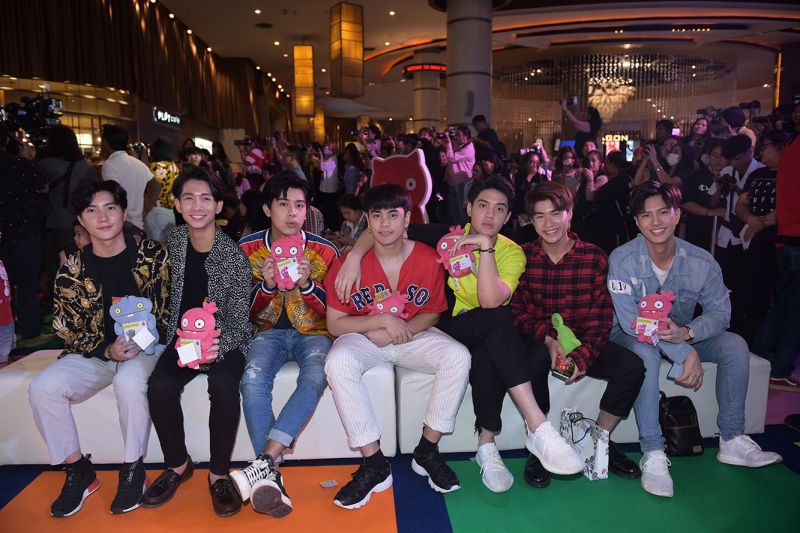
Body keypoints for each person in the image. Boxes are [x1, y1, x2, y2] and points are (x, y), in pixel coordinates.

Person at [336, 177, 585, 493]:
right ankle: (538, 426)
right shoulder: (445, 236)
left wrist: (486, 248)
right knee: (496, 323)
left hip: (489, 330)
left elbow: (490, 300)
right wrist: (354, 258)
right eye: (482, 205)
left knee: (487, 348)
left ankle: (487, 447)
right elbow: (384, 228)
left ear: (508, 217)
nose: (489, 215)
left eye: (499, 209)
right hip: (446, 325)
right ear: (468, 208)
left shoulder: (512, 253)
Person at [607, 181, 782, 498]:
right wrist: (683, 350)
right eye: (646, 215)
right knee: (646, 353)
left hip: (680, 331)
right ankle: (653, 451)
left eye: (663, 212)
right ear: (637, 222)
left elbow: (721, 312)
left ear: (677, 215)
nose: (656, 222)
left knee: (734, 345)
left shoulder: (701, 261)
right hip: (630, 335)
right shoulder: (622, 258)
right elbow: (632, 323)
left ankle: (732, 439)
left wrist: (687, 334)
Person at [323, 184, 471, 509]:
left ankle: (426, 451)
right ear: (368, 220)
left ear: (407, 219)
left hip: (409, 336)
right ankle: (374, 464)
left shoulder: (428, 258)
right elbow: (335, 324)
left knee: (458, 356)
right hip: (365, 339)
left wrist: (398, 330)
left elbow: (433, 312)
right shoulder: (348, 263)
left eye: (393, 215)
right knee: (337, 361)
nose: (385, 223)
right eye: (377, 215)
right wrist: (380, 322)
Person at [28, 179, 170, 516]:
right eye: (92, 211)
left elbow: (169, 310)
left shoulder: (153, 256)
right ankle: (79, 469)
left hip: (145, 350)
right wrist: (106, 350)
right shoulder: (71, 271)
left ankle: (133, 469)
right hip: (97, 354)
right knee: (43, 388)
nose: (103, 217)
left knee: (128, 381)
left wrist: (145, 340)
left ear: (123, 212)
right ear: (81, 219)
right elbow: (65, 328)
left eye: (110, 208)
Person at [511, 182, 645, 488]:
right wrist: (548, 339)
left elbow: (601, 320)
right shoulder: (522, 256)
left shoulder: (594, 258)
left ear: (570, 213)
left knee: (632, 367)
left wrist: (581, 359)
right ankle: (540, 442)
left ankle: (599, 439)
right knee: (532, 357)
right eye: (540, 216)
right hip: (541, 341)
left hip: (583, 342)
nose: (549, 223)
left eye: (555, 213)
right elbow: (516, 312)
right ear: (531, 221)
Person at [143, 168, 252, 517]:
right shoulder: (174, 240)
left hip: (225, 339)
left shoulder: (233, 256)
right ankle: (178, 464)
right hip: (183, 339)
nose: (197, 206)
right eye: (188, 198)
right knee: (159, 386)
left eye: (206, 198)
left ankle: (218, 474)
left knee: (222, 386)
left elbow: (240, 319)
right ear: (176, 204)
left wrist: (219, 345)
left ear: (218, 205)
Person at [231, 172, 338, 517]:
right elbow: (239, 313)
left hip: (315, 333)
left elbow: (336, 311)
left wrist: (308, 285)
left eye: (300, 205)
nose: (293, 213)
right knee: (252, 381)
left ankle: (263, 463)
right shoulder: (246, 250)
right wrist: (265, 287)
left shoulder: (324, 251)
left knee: (316, 375)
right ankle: (270, 476)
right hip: (267, 333)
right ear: (267, 209)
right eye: (283, 204)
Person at [752, 123, 800, 391]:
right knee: (794, 312)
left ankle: (758, 360)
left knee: (782, 306)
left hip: (785, 240)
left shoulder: (791, 149)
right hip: (795, 240)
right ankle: (779, 369)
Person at [709, 134, 764, 337]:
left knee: (747, 282)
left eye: (738, 158)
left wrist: (737, 188)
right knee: (724, 281)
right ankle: (725, 322)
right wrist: (721, 187)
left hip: (749, 233)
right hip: (727, 233)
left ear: (750, 151)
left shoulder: (761, 172)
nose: (735, 163)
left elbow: (754, 201)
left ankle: (746, 326)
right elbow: (712, 202)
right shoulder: (727, 171)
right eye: (731, 159)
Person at [734, 131, 783, 347]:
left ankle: (774, 344)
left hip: (779, 243)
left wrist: (761, 222)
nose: (761, 151)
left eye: (765, 147)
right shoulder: (758, 174)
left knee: (780, 296)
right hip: (754, 244)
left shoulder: (790, 172)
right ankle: (754, 341)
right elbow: (740, 204)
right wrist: (750, 219)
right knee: (753, 295)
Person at [0, 123, 48, 340]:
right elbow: (44, 187)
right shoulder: (22, 165)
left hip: (3, 235)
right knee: (28, 286)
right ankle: (30, 332)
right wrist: (28, 157)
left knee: (3, 289)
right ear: (7, 140)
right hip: (26, 233)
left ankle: (6, 336)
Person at [37, 125, 95, 298]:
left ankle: (56, 306)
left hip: (52, 225)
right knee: (77, 269)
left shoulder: (44, 165)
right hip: (79, 226)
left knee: (53, 270)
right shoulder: (86, 166)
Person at [100, 125, 153, 232]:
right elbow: (156, 187)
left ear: (105, 142)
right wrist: (146, 209)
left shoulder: (110, 164)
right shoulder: (138, 164)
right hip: (138, 225)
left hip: (120, 226)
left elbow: (112, 195)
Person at [680, 139, 727, 251]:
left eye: (722, 155)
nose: (718, 159)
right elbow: (684, 201)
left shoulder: (731, 176)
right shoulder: (697, 176)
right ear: (709, 156)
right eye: (714, 155)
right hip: (697, 230)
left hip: (723, 234)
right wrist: (709, 212)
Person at [145, 137, 178, 241]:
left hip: (154, 211)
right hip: (170, 213)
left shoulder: (155, 166)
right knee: (167, 247)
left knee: (153, 247)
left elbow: (148, 188)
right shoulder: (174, 167)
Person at [443, 126, 476, 226]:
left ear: (466, 136)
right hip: (454, 181)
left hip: (462, 181)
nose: (457, 137)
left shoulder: (468, 149)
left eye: (459, 135)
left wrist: (449, 142)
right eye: (456, 135)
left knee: (460, 207)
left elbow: (451, 157)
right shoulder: (462, 144)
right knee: (454, 207)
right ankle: (456, 228)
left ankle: (462, 229)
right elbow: (446, 145)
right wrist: (448, 133)